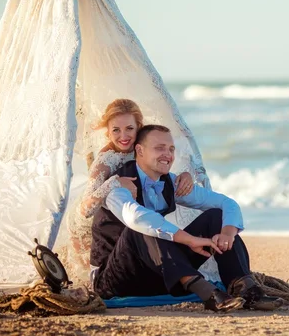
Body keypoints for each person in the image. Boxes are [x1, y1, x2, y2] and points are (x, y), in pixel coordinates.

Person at [91, 125, 283, 312]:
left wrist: (227, 234)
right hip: (117, 279)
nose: (168, 154)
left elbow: (227, 203)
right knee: (143, 226)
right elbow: (135, 217)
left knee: (215, 216)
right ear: (139, 150)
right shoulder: (118, 184)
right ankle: (208, 293)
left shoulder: (171, 183)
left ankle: (246, 289)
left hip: (163, 273)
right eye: (159, 148)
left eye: (171, 149)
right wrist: (191, 240)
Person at [66, 99, 194, 283]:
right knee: (84, 279)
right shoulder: (105, 162)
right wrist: (113, 183)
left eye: (129, 128)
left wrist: (185, 174)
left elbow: (161, 164)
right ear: (108, 133)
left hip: (121, 219)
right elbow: (85, 211)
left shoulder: (142, 148)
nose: (123, 136)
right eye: (116, 130)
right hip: (85, 226)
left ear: (139, 127)